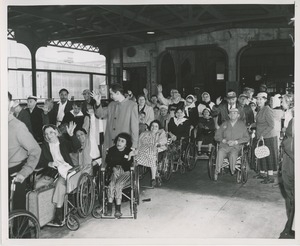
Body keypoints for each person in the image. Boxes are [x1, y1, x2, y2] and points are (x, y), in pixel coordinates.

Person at [35, 122, 81, 226]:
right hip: (53, 171)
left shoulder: (64, 142)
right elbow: (40, 161)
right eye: (46, 134)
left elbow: (76, 146)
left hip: (66, 169)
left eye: (51, 132)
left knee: (60, 185)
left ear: (56, 132)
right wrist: (48, 163)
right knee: (38, 185)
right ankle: (44, 213)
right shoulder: (45, 146)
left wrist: (71, 135)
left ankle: (58, 212)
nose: (49, 135)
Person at [8, 92, 41, 210]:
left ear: (10, 104)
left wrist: (24, 172)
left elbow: (35, 150)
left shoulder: (18, 126)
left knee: (17, 211)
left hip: (14, 173)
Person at [93, 83, 139, 162]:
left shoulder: (132, 105)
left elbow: (135, 127)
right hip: (110, 141)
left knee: (122, 167)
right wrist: (97, 103)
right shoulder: (111, 105)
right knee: (109, 165)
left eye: (112, 94)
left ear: (118, 93)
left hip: (123, 143)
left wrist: (134, 145)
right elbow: (100, 114)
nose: (110, 96)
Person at [214, 108, 250, 180]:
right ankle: (216, 172)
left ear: (238, 115)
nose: (233, 114)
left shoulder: (242, 125)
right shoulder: (224, 124)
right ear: (228, 115)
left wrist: (236, 142)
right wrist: (223, 140)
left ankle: (233, 171)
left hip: (236, 147)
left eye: (235, 113)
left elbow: (247, 138)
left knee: (233, 155)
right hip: (224, 146)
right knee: (220, 152)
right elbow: (217, 136)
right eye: (231, 113)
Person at [105, 133, 134, 218]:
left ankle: (118, 210)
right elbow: (108, 161)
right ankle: (109, 209)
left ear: (126, 144)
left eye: (122, 141)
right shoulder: (111, 150)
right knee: (111, 185)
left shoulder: (129, 151)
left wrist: (129, 157)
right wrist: (113, 168)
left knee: (118, 185)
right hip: (115, 171)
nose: (119, 142)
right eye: (118, 140)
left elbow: (129, 165)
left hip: (126, 172)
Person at [252, 92, 278, 184]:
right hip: (261, 136)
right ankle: (262, 173)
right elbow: (260, 123)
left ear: (265, 100)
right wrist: (251, 125)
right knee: (261, 154)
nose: (258, 101)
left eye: (260, 99)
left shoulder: (267, 109)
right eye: (257, 99)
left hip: (268, 136)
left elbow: (271, 125)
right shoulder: (260, 109)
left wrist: (262, 135)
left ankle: (270, 177)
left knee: (268, 156)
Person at [136, 120, 167, 187]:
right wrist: (137, 149)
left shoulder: (161, 133)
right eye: (152, 126)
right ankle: (136, 174)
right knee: (136, 154)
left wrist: (158, 143)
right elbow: (139, 141)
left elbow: (164, 140)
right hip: (143, 148)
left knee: (152, 155)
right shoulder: (144, 133)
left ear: (159, 127)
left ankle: (153, 178)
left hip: (156, 148)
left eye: (156, 126)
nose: (154, 127)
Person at [279, 116, 294, 239]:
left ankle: (290, 228)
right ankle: (289, 228)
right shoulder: (294, 121)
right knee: (291, 196)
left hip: (291, 163)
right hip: (290, 163)